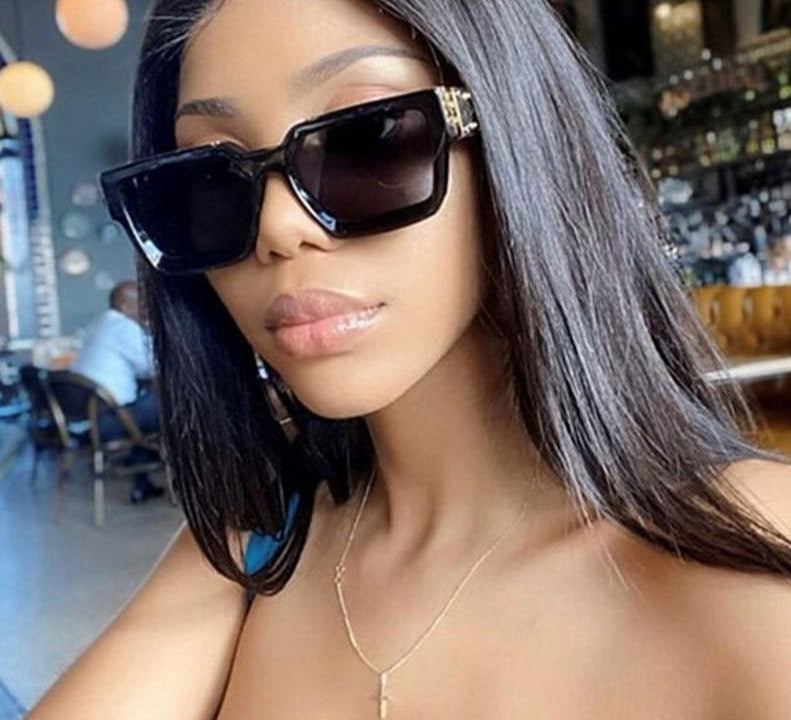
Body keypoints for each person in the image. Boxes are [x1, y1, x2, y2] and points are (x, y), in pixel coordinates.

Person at [31, 0, 791, 717]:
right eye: (208, 179)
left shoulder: (752, 553)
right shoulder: (256, 548)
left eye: (368, 139)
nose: (278, 228)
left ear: (518, 134)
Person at [71, 280, 164, 503]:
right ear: (123, 304)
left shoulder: (97, 324)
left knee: (141, 406)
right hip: (111, 420)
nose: (145, 308)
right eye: (141, 302)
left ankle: (142, 483)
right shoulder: (122, 327)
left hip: (91, 421)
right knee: (173, 402)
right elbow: (155, 365)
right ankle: (189, 479)